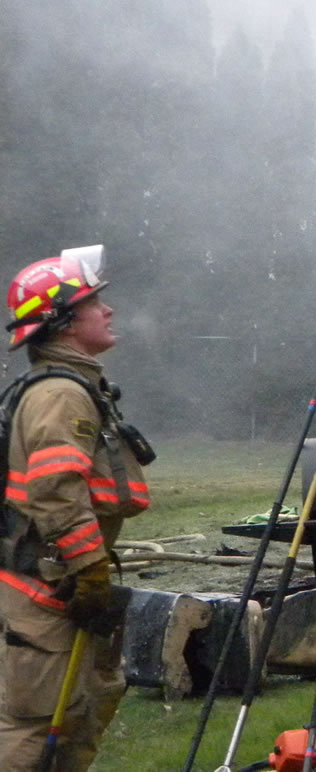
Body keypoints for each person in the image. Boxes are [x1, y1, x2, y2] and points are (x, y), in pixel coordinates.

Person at [0, 245, 152, 770]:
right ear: (64, 322)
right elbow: (54, 490)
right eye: (93, 303)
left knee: (82, 711)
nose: (107, 310)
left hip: (61, 585)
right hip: (46, 589)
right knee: (33, 728)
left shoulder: (75, 386)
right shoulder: (62, 394)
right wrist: (88, 568)